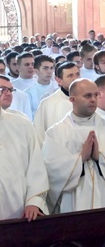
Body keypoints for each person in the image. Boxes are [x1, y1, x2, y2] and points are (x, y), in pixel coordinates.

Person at [42, 79, 105, 213]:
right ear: (72, 99)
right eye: (87, 96)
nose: (93, 99)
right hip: (74, 200)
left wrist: (100, 157)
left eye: (96, 95)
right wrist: (80, 158)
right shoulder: (56, 133)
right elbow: (50, 169)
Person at [0, 85, 49, 221]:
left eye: (9, 90)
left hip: (18, 211)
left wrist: (34, 202)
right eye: (2, 89)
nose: (6, 93)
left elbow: (36, 166)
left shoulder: (21, 124)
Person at [34, 62, 80, 141]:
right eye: (70, 76)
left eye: (77, 74)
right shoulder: (47, 104)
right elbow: (38, 135)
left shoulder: (90, 99)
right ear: (59, 80)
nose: (75, 78)